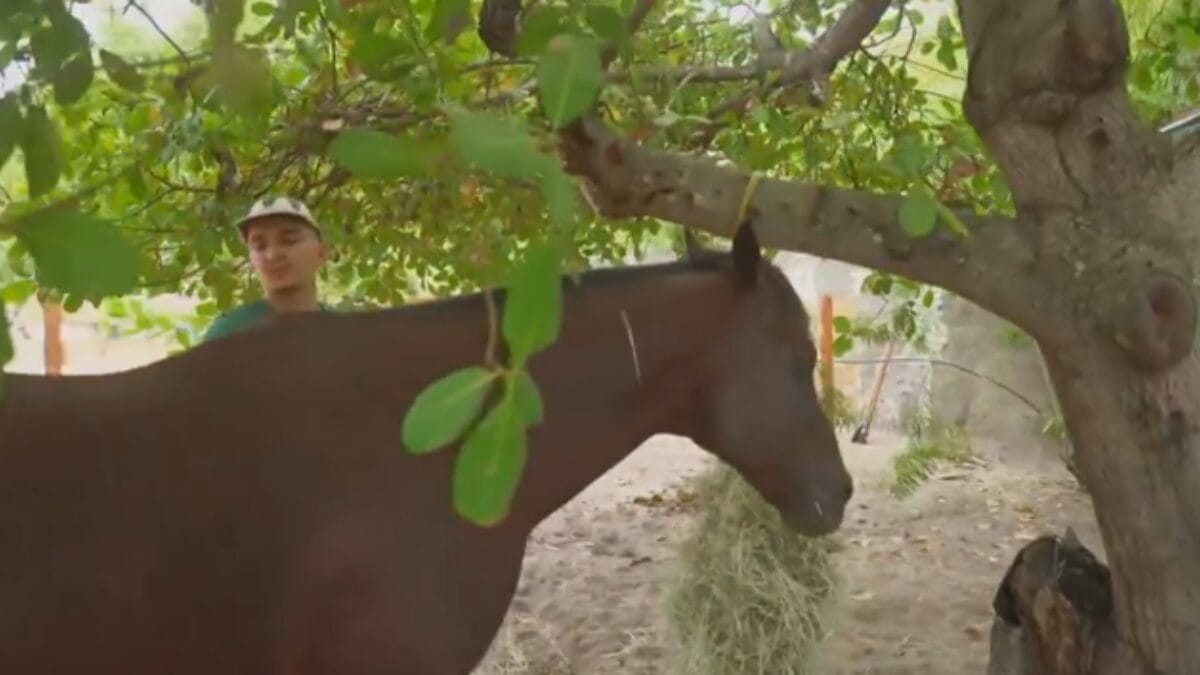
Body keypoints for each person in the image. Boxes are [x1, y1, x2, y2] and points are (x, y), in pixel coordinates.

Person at [200, 196, 331, 344]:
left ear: (322, 253)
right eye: (260, 246)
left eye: (289, 241)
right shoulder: (230, 332)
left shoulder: (342, 332)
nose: (272, 255)